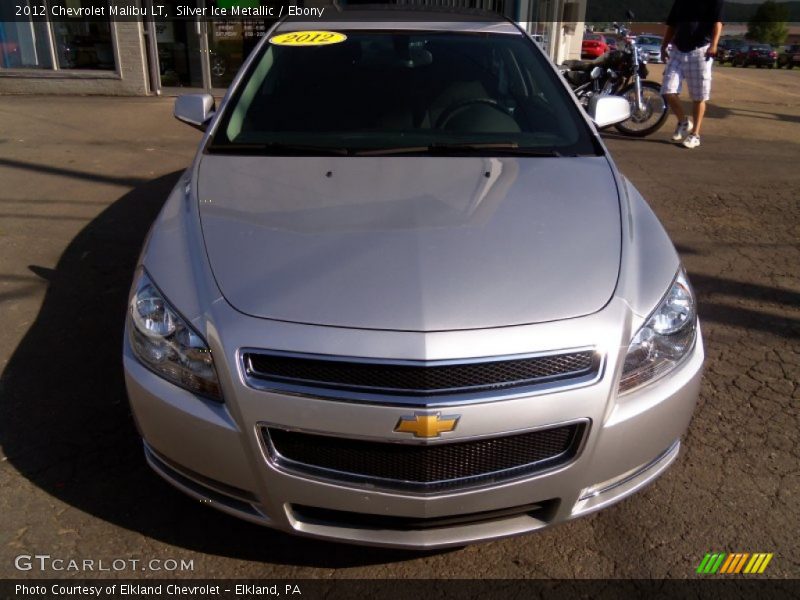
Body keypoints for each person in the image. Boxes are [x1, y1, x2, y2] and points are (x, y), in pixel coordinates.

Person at [660, 0, 724, 149]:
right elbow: (672, 24)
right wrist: (664, 46)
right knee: (667, 90)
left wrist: (714, 45)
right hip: (677, 50)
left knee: (698, 96)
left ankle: (695, 135)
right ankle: (683, 122)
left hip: (700, 50)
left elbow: (718, 22)